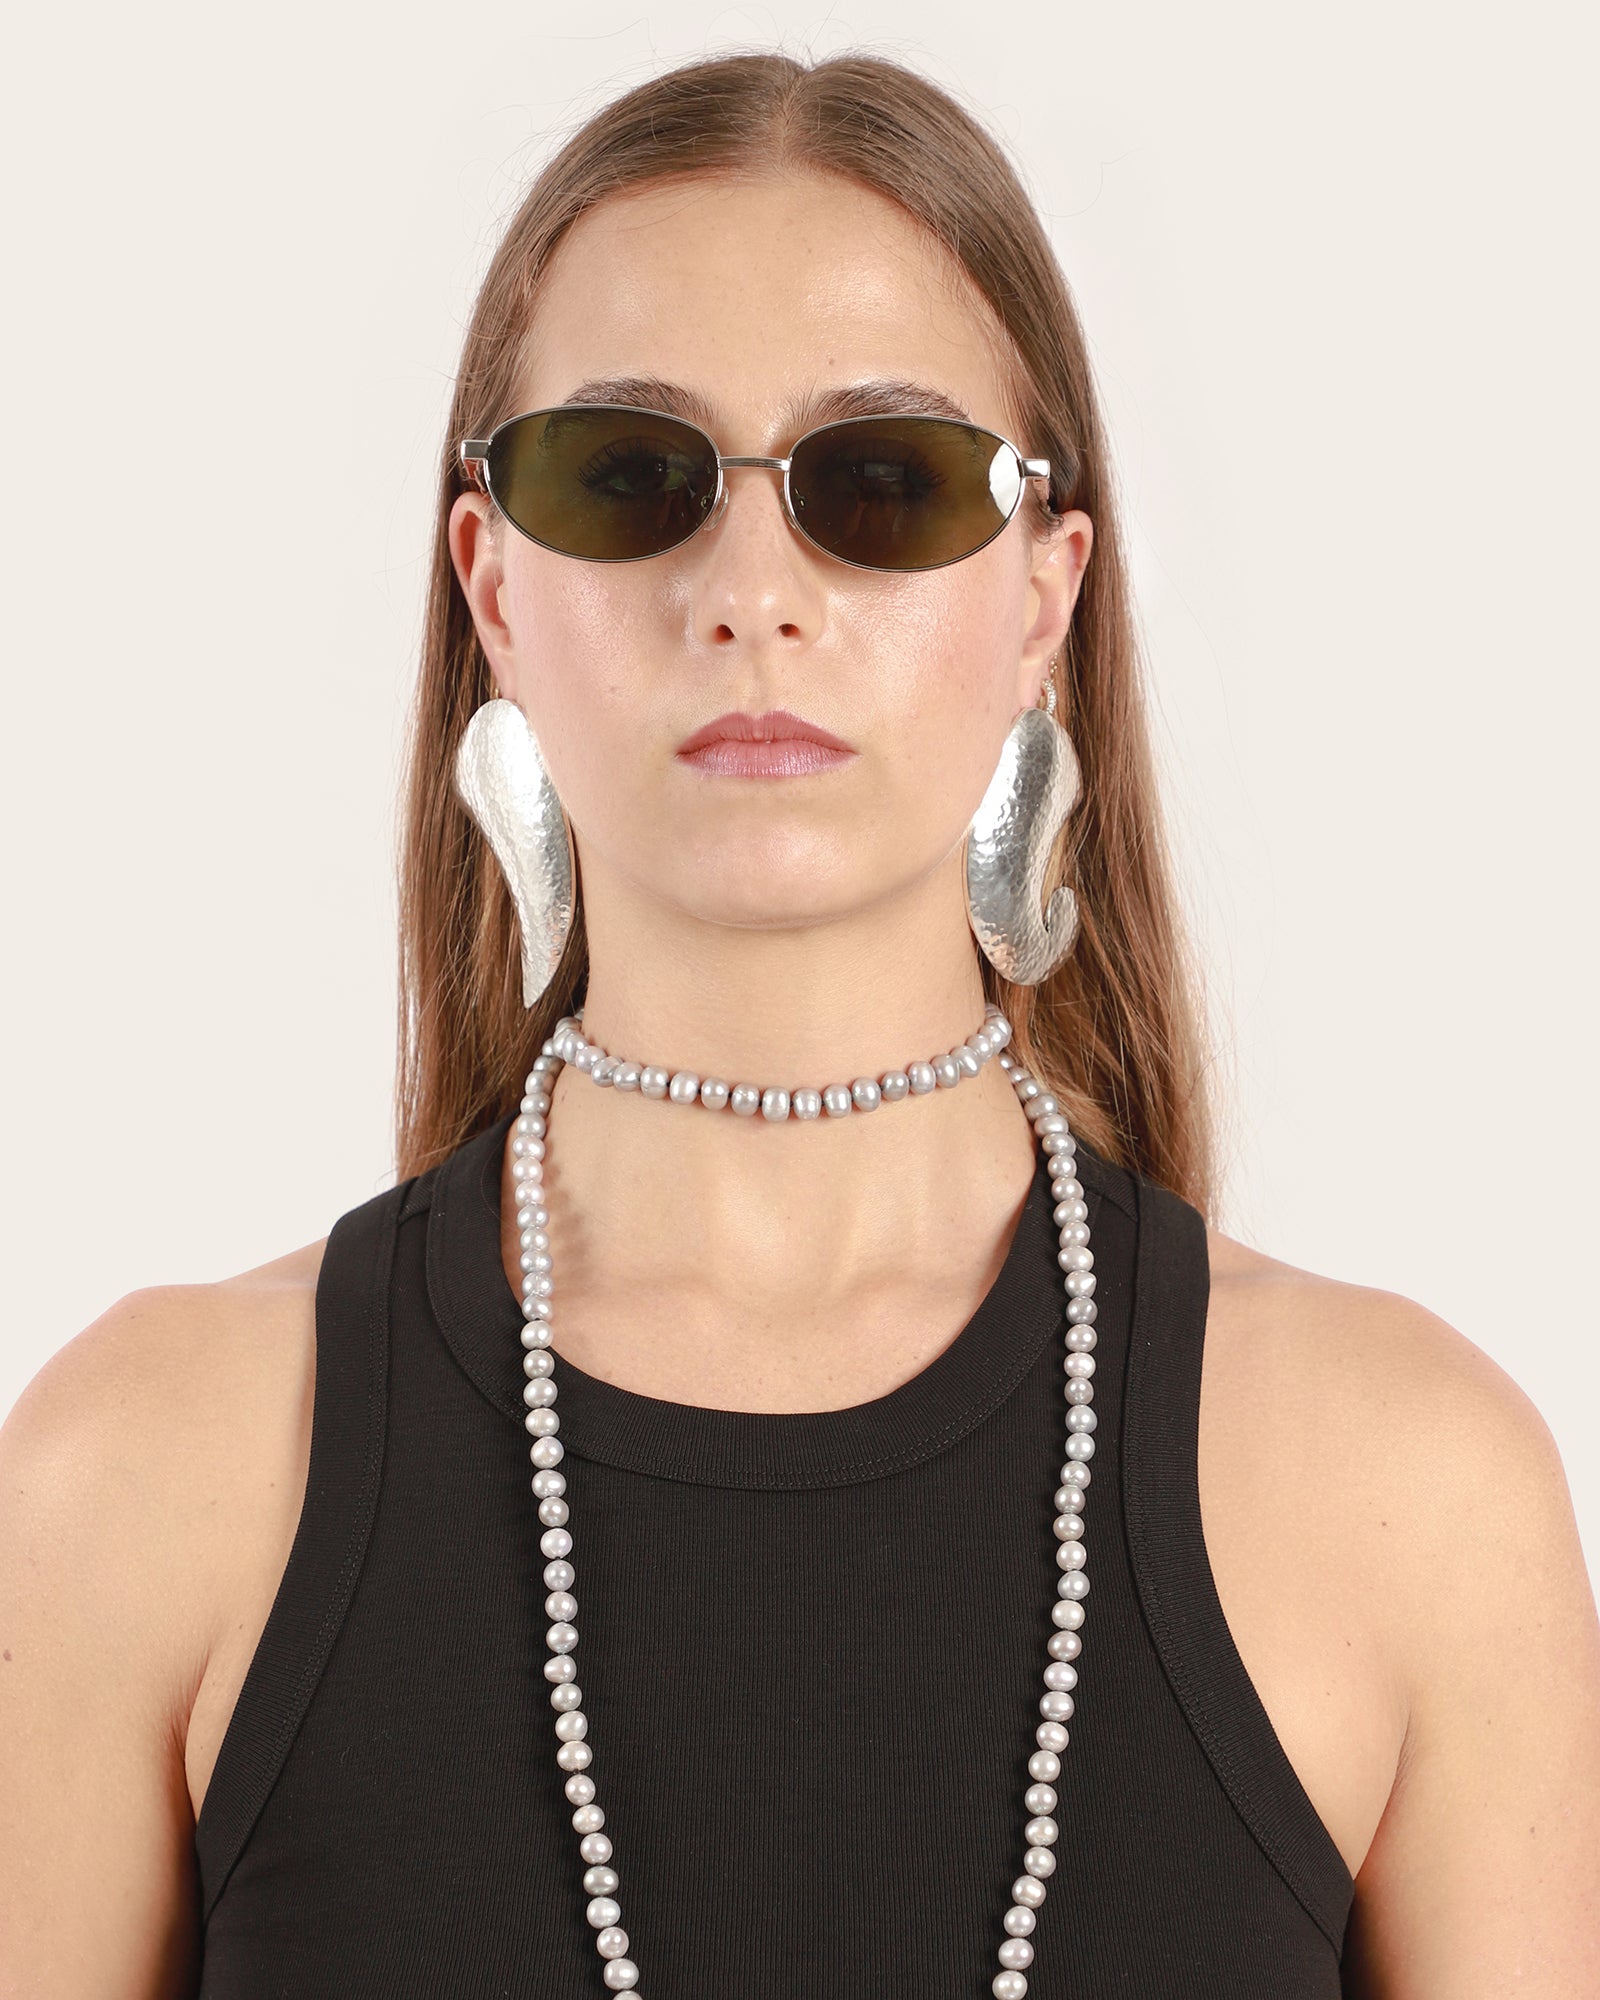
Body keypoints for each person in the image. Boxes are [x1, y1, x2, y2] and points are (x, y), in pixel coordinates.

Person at [2, 47, 1597, 2000]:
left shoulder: (1410, 1491)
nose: (751, 591)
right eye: (626, 477)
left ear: (1043, 596)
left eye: (882, 485)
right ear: (490, 585)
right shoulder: (141, 1477)